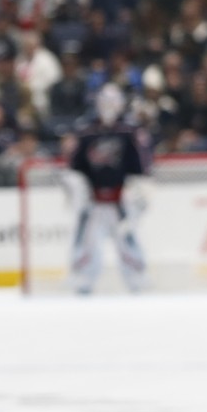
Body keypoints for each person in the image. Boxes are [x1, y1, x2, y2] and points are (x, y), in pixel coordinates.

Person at [65, 84, 150, 294]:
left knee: (127, 241)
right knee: (88, 243)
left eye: (113, 102)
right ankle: (82, 278)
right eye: (105, 102)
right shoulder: (87, 134)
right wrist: (76, 190)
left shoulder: (128, 133)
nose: (109, 107)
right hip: (93, 203)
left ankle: (137, 278)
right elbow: (75, 169)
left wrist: (138, 190)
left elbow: (139, 167)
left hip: (120, 201)